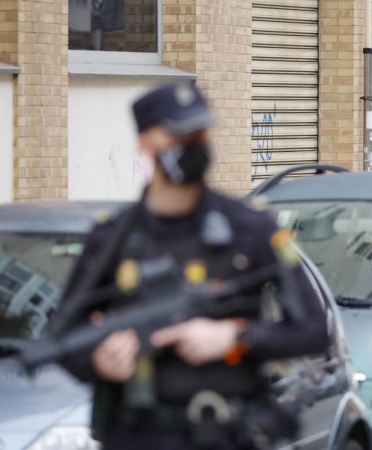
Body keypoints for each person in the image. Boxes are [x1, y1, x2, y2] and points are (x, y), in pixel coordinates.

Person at [50, 82, 329, 449]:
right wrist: (99, 361)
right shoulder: (112, 237)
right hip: (139, 436)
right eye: (178, 135)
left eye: (199, 133)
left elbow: (314, 330)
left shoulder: (251, 228)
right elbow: (62, 338)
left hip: (229, 432)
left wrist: (236, 336)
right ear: (144, 144)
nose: (192, 144)